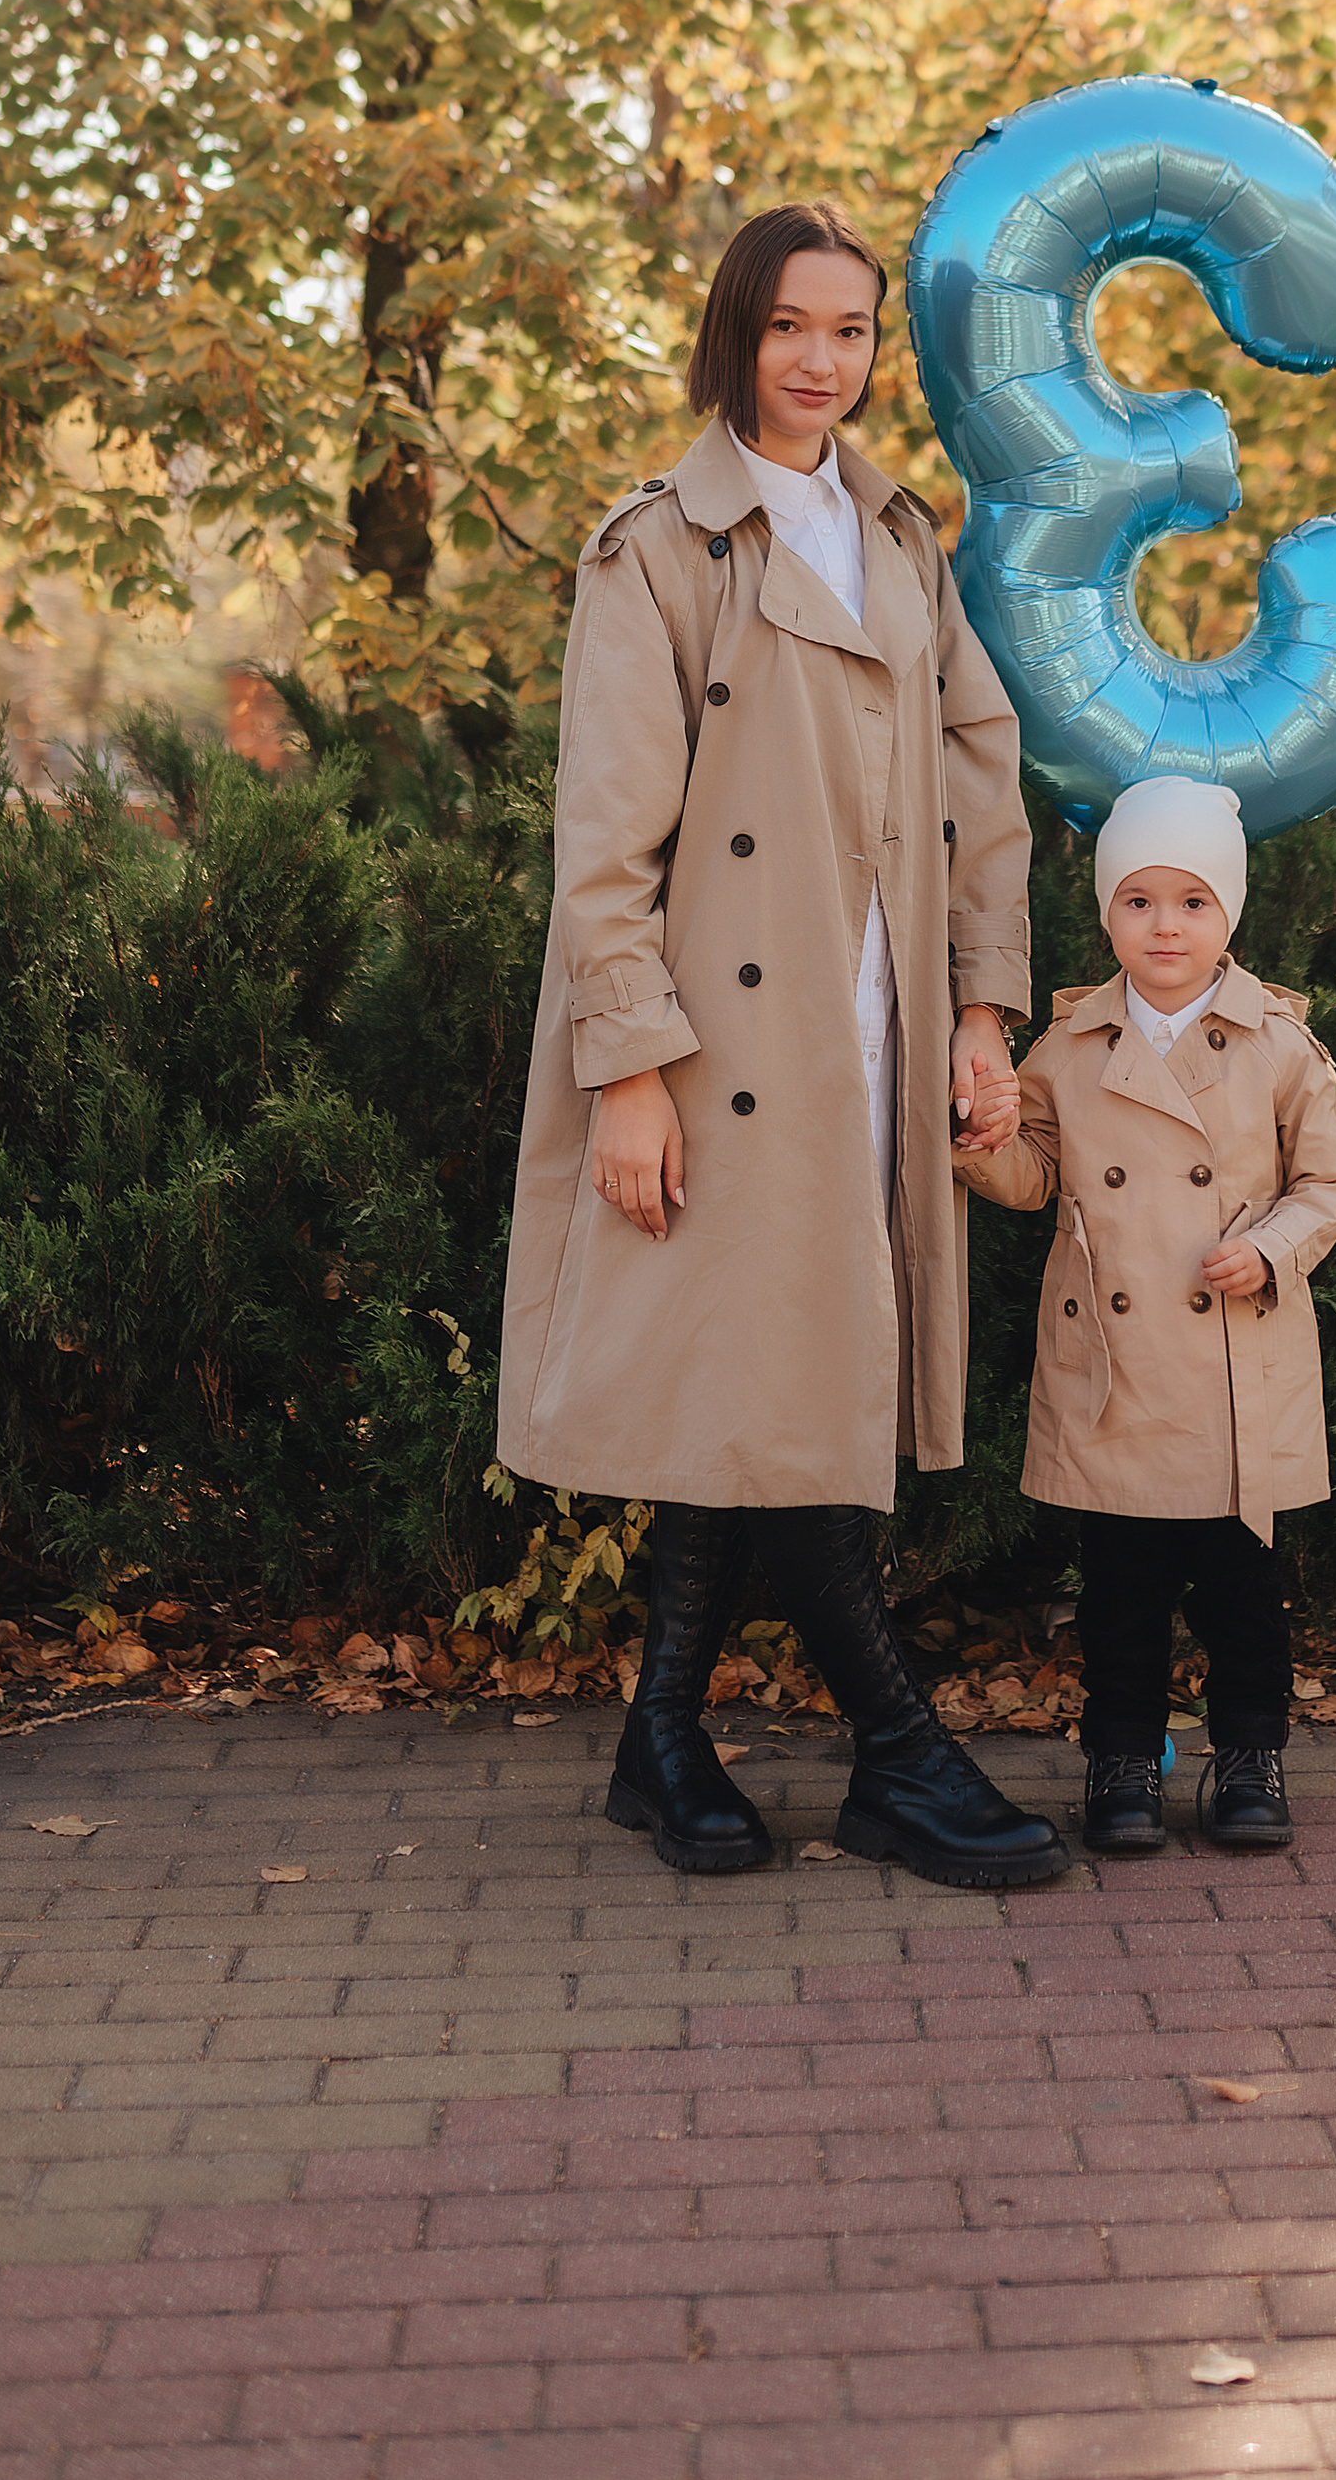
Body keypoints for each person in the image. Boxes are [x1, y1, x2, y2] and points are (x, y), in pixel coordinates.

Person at [498, 199, 1068, 1893]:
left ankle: (663, 1742)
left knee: (773, 1387)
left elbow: (982, 770)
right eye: (789, 328)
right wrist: (626, 1073)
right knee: (780, 1381)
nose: (822, 362)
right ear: (734, 336)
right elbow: (604, 843)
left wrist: (981, 1001)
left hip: (879, 1033)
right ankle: (898, 1750)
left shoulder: (901, 537)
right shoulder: (660, 544)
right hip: (727, 1041)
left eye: (849, 331)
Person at [953, 774, 1336, 1855]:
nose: (1165, 925)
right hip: (1115, 1369)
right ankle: (1122, 1762)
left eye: (1191, 901)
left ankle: (1249, 1759)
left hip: (1236, 1360)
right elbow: (1035, 1174)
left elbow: (1333, 1184)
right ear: (1105, 916)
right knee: (1119, 1599)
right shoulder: (1068, 1047)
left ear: (1228, 912)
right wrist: (986, 1141)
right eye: (1138, 900)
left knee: (1243, 1594)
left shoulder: (1277, 1043)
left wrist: (1269, 1249)